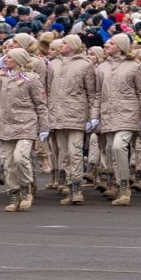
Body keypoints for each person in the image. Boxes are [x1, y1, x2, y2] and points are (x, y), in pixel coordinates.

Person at [0, 47, 48, 212]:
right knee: (8, 162)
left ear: (19, 60)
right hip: (5, 125)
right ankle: (14, 195)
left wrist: (44, 127)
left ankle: (26, 191)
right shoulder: (0, 76)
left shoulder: (31, 78)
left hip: (25, 124)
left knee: (20, 158)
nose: (5, 59)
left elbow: (41, 105)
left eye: (9, 57)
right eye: (4, 57)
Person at [48, 34, 99, 206]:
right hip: (57, 114)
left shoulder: (85, 65)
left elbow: (92, 93)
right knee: (64, 154)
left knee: (75, 151)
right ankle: (70, 186)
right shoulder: (53, 63)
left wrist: (92, 116)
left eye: (65, 43)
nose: (61, 46)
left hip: (77, 113)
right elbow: (48, 90)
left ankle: (77, 189)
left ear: (73, 45)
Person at [97, 33, 141, 206]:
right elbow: (97, 94)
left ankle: (125, 188)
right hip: (108, 113)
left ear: (119, 46)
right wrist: (94, 115)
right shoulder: (101, 67)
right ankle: (119, 185)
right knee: (111, 150)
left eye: (110, 44)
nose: (105, 46)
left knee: (119, 146)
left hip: (128, 113)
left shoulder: (135, 66)